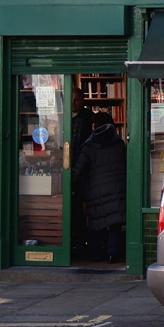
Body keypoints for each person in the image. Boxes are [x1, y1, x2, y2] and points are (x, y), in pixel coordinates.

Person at [73, 111, 127, 263]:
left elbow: (78, 170)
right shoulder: (119, 144)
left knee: (96, 223)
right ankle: (112, 254)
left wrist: (68, 186)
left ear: (94, 127)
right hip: (117, 190)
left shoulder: (89, 147)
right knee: (115, 223)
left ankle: (97, 253)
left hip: (95, 190)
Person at [70, 88, 96, 258]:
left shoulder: (89, 118)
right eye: (71, 99)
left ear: (83, 101)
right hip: (68, 168)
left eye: (77, 99)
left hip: (86, 170)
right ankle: (76, 240)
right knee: (72, 206)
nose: (74, 103)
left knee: (86, 207)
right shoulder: (63, 117)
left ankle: (86, 242)